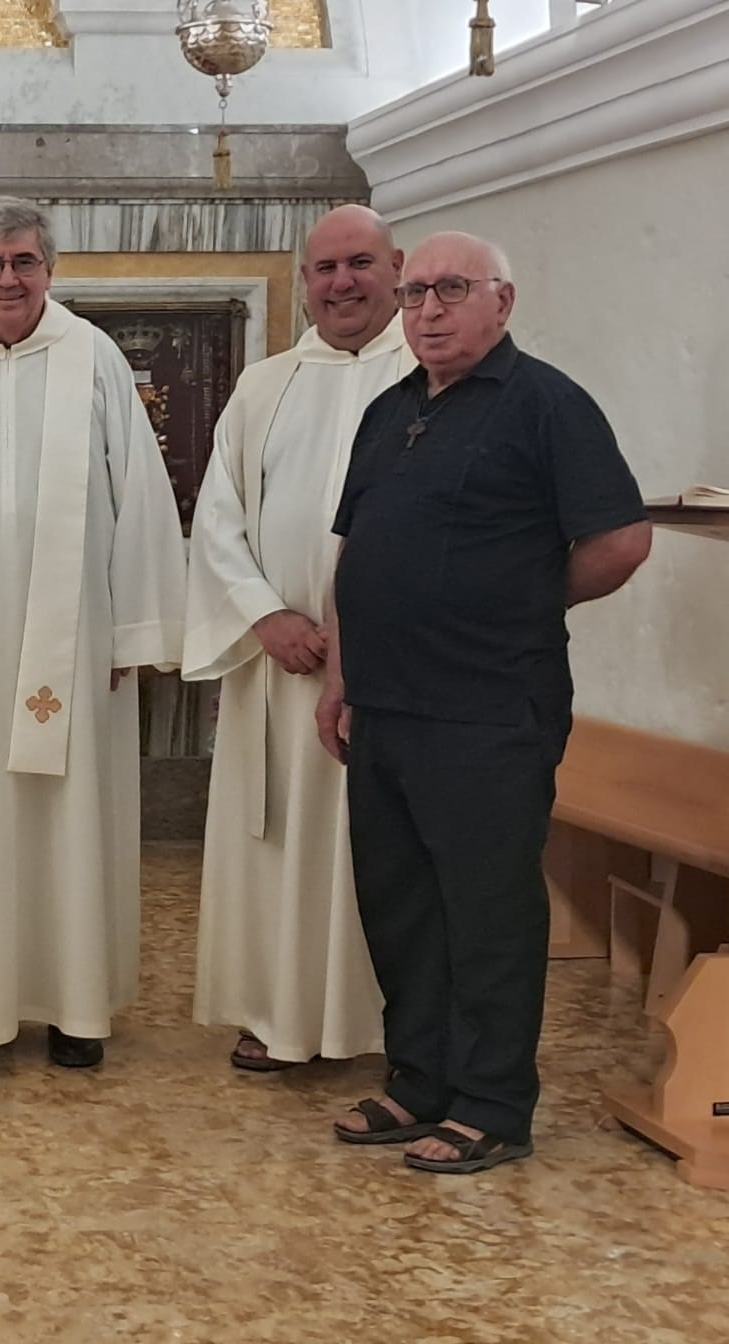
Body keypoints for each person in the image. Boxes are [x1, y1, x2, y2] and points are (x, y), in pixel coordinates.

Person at [322, 231, 650, 1173]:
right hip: (385, 705)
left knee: (487, 909)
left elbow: (621, 540)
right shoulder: (390, 411)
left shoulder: (547, 404)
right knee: (401, 905)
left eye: (451, 290)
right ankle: (419, 1081)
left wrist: (521, 600)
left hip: (488, 706)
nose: (428, 308)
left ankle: (495, 1103)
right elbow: (358, 553)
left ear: (501, 302)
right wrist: (343, 679)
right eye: (417, 290)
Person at [0, 198, 186, 1068]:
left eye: (23, 262)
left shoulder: (92, 359)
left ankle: (73, 1007)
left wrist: (132, 632)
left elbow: (140, 497)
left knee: (67, 815)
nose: (7, 278)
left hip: (76, 636)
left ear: (50, 271)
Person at [184, 205, 410, 1071]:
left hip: (388, 672)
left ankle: (384, 1023)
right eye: (325, 268)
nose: (343, 282)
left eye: (360, 264)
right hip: (280, 667)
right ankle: (277, 1013)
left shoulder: (428, 376)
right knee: (279, 840)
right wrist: (264, 616)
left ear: (396, 268)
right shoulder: (265, 384)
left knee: (375, 846)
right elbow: (218, 517)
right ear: (304, 281)